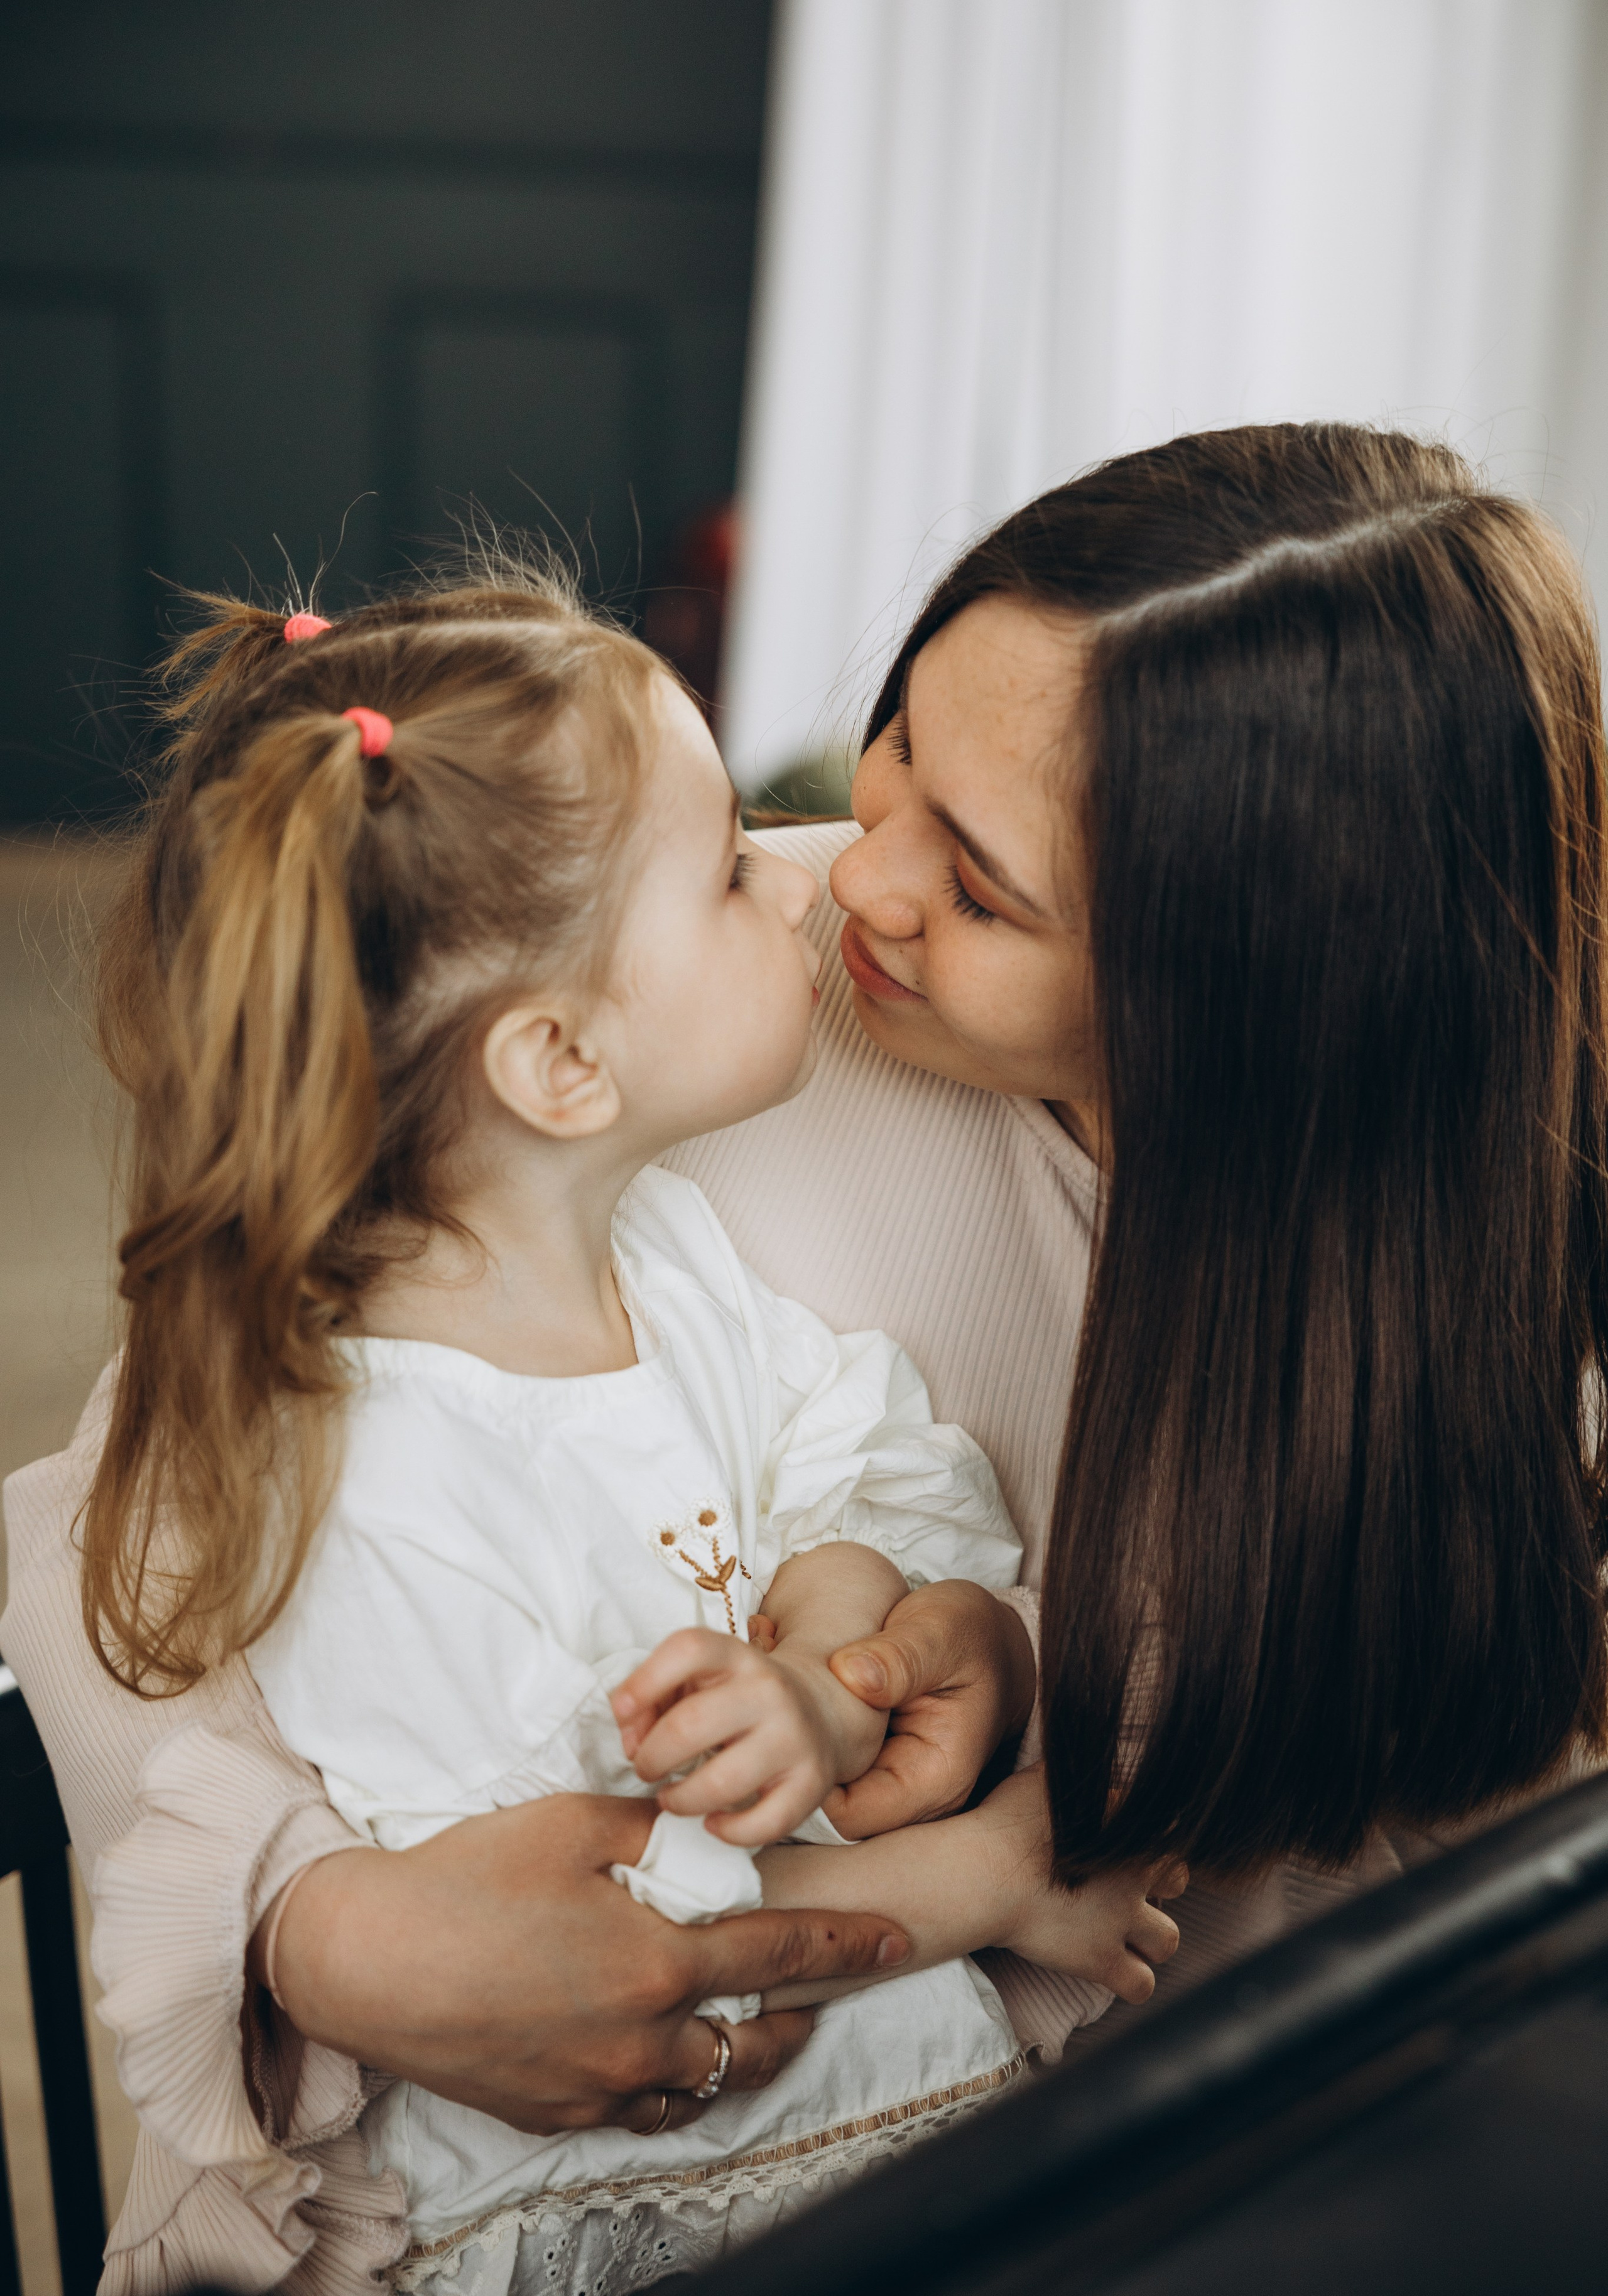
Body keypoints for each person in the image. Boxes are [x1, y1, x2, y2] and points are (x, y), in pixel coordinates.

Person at [6, 420, 1605, 2286]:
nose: (852, 871)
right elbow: (129, 1489)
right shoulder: (709, 1012)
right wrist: (323, 1929)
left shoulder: (1497, 1288)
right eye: (905, 741)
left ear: (1257, 986)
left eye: (987, 886)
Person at [72, 571, 1175, 2293]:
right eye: (742, 863)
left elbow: (845, 1450)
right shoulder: (371, 1470)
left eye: (973, 874)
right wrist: (1002, 1878)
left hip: (871, 2155)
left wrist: (834, 1655)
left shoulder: (660, 1252)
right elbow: (593, 1934)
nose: (818, 886)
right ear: (563, 1068)